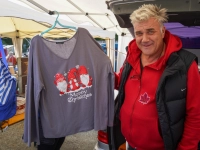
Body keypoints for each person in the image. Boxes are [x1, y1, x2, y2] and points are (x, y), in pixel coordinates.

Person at [114, 4, 200, 150]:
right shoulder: (132, 56)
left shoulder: (184, 64)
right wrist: (102, 74)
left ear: (162, 31)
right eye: (139, 33)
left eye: (150, 31)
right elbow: (120, 82)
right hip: (130, 144)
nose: (144, 39)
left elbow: (195, 113)